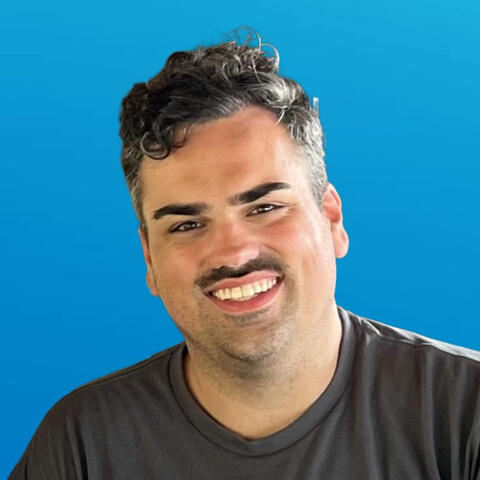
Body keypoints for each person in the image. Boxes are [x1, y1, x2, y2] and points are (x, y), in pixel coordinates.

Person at [9, 29, 480, 480]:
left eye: (265, 207)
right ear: (149, 259)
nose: (233, 252)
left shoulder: (464, 412)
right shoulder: (83, 444)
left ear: (332, 220)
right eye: (187, 224)